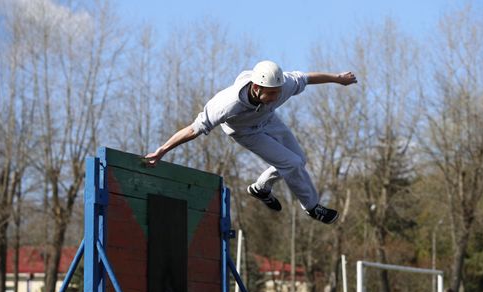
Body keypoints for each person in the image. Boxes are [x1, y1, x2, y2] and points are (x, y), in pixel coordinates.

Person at [144, 60, 357, 224]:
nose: (276, 96)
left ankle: (261, 188)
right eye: (271, 93)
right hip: (245, 132)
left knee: (299, 160)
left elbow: (308, 78)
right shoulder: (227, 103)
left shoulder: (284, 85)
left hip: (267, 120)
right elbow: (193, 129)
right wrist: (162, 150)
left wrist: (338, 78)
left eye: (277, 92)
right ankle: (312, 207)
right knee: (291, 163)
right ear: (256, 88)